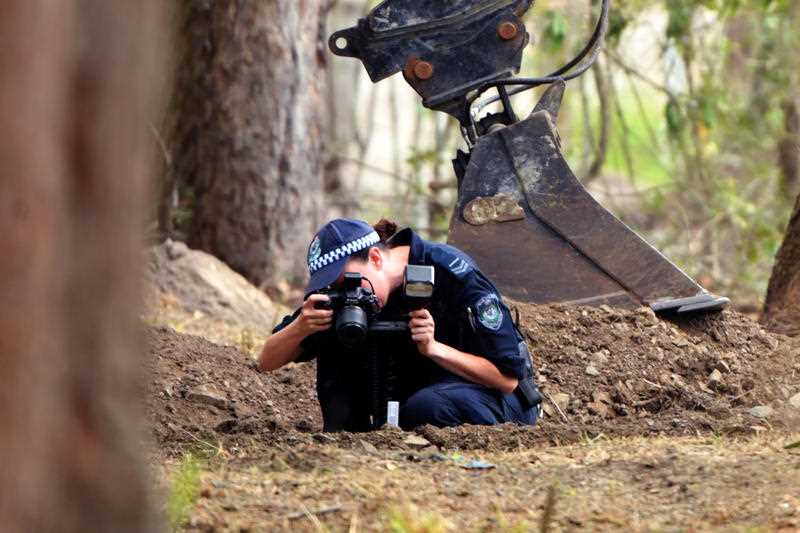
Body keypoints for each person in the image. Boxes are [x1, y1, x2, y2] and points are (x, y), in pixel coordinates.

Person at [259, 218, 541, 432]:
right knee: (340, 331)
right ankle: (346, 436)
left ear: (376, 258)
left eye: (348, 282)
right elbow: (267, 360)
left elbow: (507, 379)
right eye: (332, 286)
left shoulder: (450, 271)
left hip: (492, 398)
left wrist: (434, 349)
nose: (346, 292)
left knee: (427, 407)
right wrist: (302, 326)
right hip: (411, 400)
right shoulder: (344, 294)